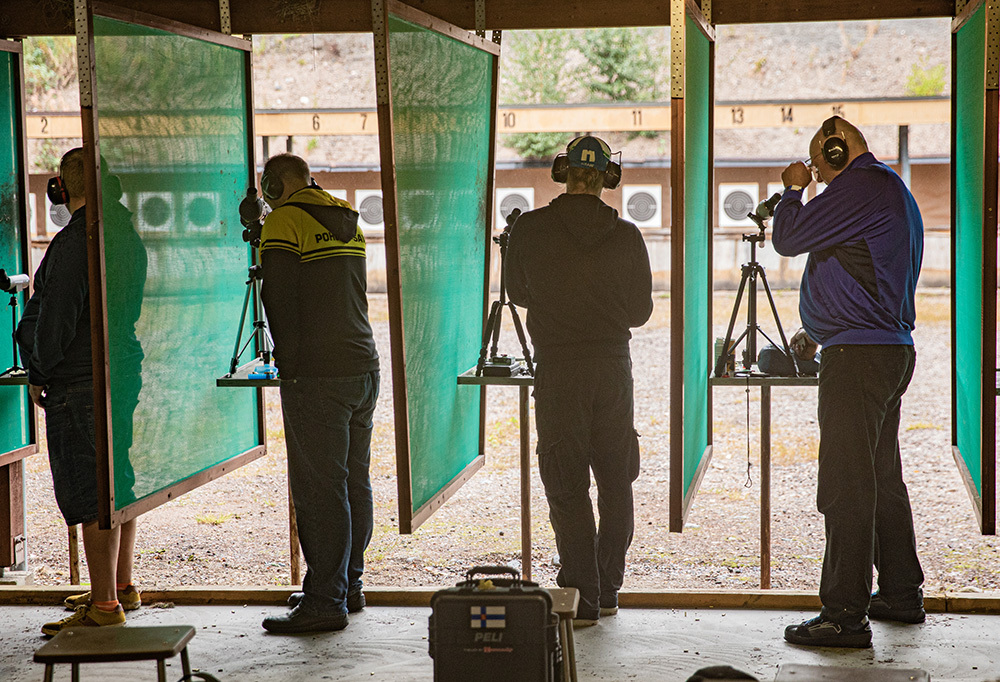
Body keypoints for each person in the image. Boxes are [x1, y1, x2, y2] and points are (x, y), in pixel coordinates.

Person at [772, 116, 925, 648]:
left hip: (859, 358)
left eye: (818, 160)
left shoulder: (859, 186)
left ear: (836, 152)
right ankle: (901, 592)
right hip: (881, 350)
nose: (815, 170)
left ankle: (844, 614)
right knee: (880, 476)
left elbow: (788, 238)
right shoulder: (887, 188)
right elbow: (862, 269)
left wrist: (794, 190)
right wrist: (819, 327)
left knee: (846, 485)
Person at [505, 136, 653, 626]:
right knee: (616, 478)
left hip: (559, 368)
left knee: (566, 483)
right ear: (608, 177)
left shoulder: (529, 229)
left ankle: (582, 595)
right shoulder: (628, 235)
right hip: (613, 368)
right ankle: (608, 588)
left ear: (563, 171)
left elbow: (518, 292)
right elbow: (641, 311)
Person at [16, 148, 148, 635]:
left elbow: (57, 320)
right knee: (118, 480)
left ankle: (105, 604)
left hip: (80, 381)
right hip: (118, 372)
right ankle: (121, 586)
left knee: (92, 491)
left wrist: (39, 369)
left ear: (63, 191)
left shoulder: (78, 241)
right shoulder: (124, 232)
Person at [256, 153, 380, 634]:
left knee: (319, 488)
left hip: (319, 375)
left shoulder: (286, 221)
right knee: (353, 481)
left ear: (273, 184)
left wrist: (287, 365)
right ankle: (347, 585)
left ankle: (325, 600)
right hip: (362, 365)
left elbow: (279, 301)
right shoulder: (347, 217)